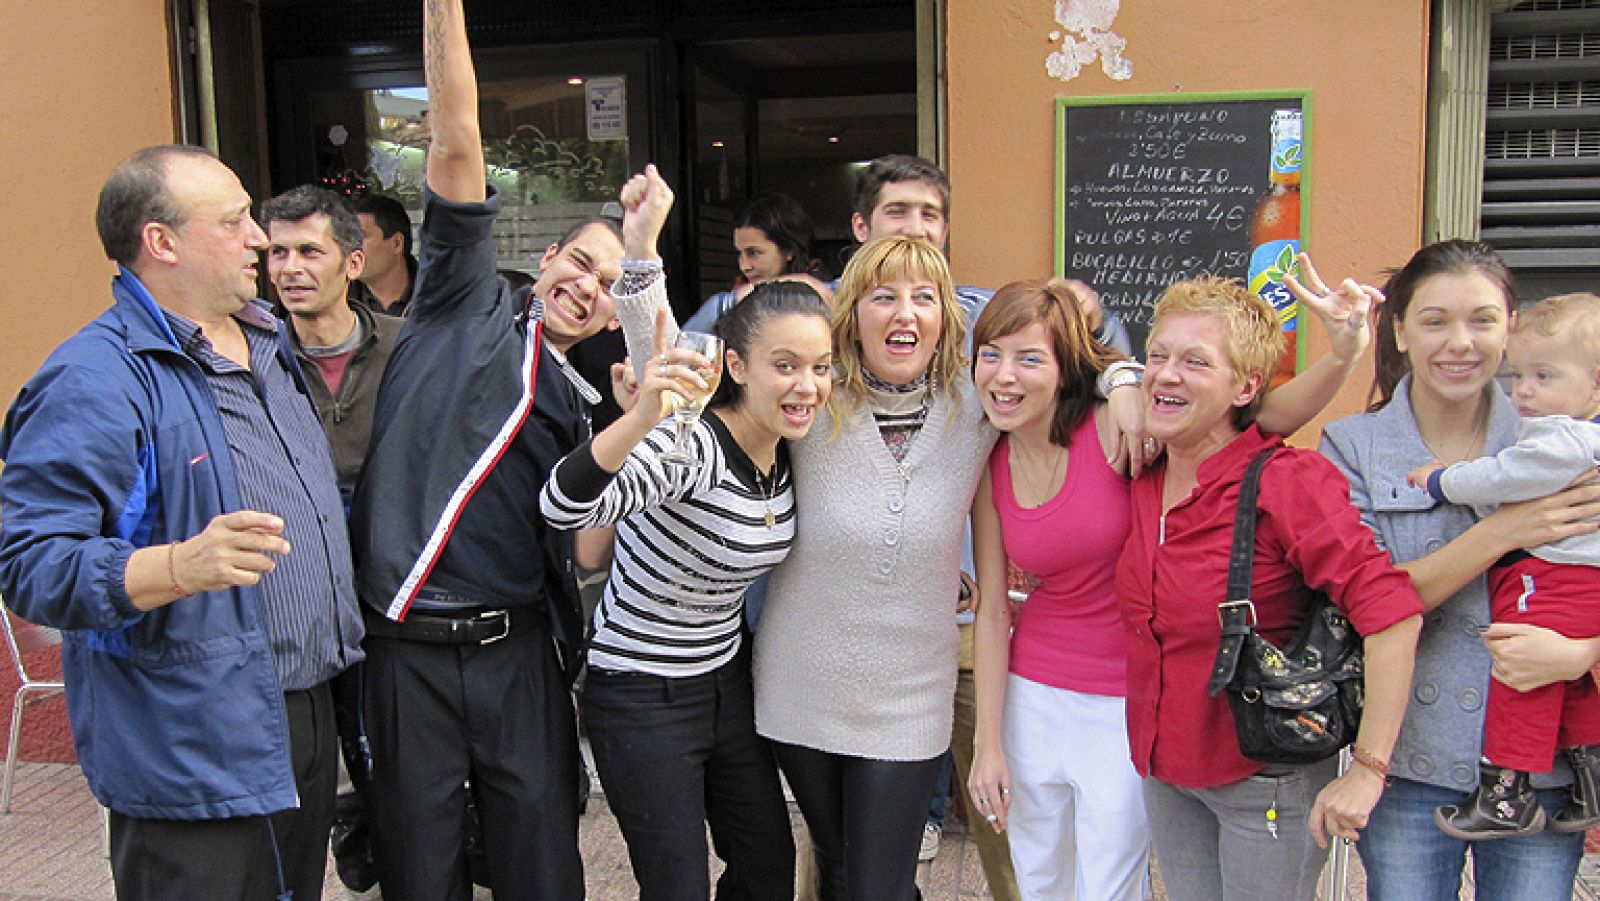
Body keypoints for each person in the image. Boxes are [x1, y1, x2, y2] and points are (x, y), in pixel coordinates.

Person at [347, 1, 670, 896]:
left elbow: (664, 392)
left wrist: (643, 257)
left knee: (542, 865)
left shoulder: (590, 402)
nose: (589, 288)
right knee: (420, 867)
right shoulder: (461, 300)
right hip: (406, 641)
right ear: (551, 252)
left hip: (519, 650)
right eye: (584, 264)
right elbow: (454, 139)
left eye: (611, 284)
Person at [0, 144, 363, 900]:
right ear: (162, 242)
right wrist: (176, 566)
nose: (259, 239)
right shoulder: (94, 377)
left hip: (298, 713)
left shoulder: (267, 340)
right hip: (189, 739)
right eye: (234, 222)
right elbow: (29, 562)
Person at [1118, 274, 1423, 901]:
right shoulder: (1144, 469)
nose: (1166, 375)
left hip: (1265, 777)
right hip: (1164, 768)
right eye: (1158, 356)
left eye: (1195, 362)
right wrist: (1116, 381)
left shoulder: (1287, 484)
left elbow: (1392, 615)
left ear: (1246, 387)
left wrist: (1367, 770)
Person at [1319, 241, 1600, 899]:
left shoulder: (1571, 442)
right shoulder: (1353, 447)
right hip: (1411, 761)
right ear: (1400, 328)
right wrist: (1505, 530)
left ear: (1511, 327)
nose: (1460, 343)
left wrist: (1583, 652)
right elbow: (1367, 602)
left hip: (1542, 769)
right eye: (1435, 320)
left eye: (1482, 320)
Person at [543, 279, 833, 900]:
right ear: (736, 365)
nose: (806, 385)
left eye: (820, 367)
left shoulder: (787, 450)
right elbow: (565, 506)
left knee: (764, 863)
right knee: (676, 886)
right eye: (784, 366)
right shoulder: (691, 446)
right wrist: (644, 414)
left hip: (725, 683)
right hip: (641, 694)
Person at [966, 278, 1148, 900]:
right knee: (1039, 878)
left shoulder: (1114, 428)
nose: (1004, 376)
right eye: (990, 354)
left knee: (1108, 883)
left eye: (1029, 358)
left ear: (1067, 368)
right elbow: (993, 612)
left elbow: (1238, 417)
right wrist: (986, 745)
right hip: (1032, 696)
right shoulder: (992, 461)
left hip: (1124, 699)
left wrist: (1125, 380)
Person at [1406, 292, 1600, 840]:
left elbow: (1501, 478)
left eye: (1544, 376)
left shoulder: (1561, 438)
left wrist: (1442, 479)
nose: (1526, 391)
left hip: (1555, 578)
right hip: (1586, 584)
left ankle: (1505, 793)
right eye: (1522, 376)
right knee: (1574, 686)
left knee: (1520, 674)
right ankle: (1590, 781)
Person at [263, 185, 404, 505]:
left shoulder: (404, 345)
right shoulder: (259, 357)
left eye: (309, 251)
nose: (290, 269)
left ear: (353, 264)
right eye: (278, 252)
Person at [685, 192, 817, 332]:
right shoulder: (725, 306)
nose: (744, 266)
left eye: (753, 253)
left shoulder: (830, 298)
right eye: (739, 253)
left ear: (789, 250)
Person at [352, 193, 417, 316]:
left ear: (397, 243)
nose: (351, 247)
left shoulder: (437, 296)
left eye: (360, 237)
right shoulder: (337, 302)